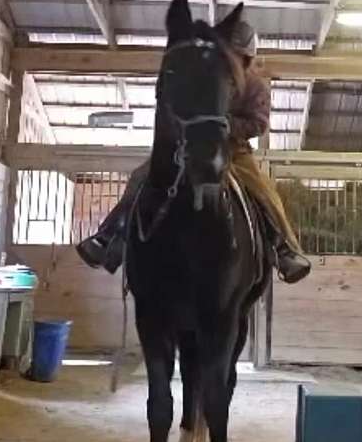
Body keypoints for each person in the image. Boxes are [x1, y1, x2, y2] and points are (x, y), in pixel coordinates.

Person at [76, 20, 311, 284]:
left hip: (234, 151)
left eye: (234, 55)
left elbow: (259, 124)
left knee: (264, 190)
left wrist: (226, 125)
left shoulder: (256, 87)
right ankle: (110, 236)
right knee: (142, 175)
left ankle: (284, 248)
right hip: (189, 146)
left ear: (247, 58)